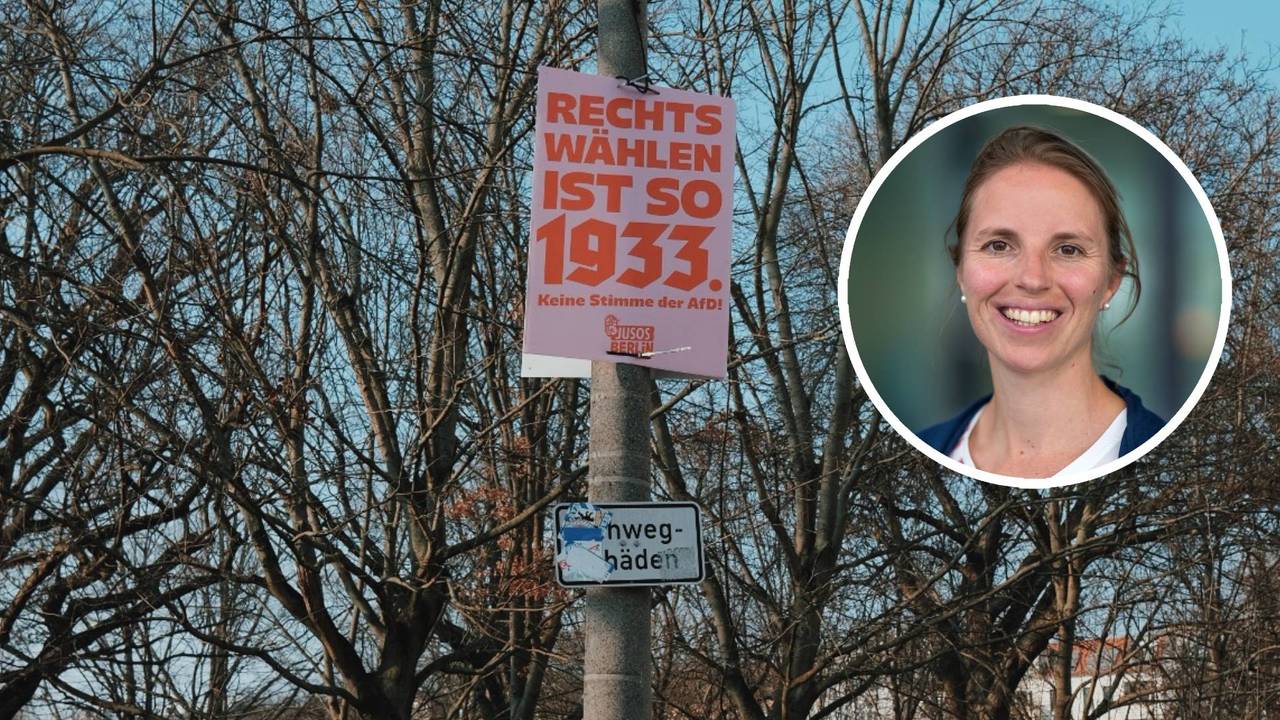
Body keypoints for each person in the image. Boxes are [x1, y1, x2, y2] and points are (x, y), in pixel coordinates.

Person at [917, 126, 1165, 479]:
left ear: (1111, 281)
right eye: (999, 246)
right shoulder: (920, 454)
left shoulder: (1171, 465)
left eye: (1068, 250)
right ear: (960, 270)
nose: (1032, 279)